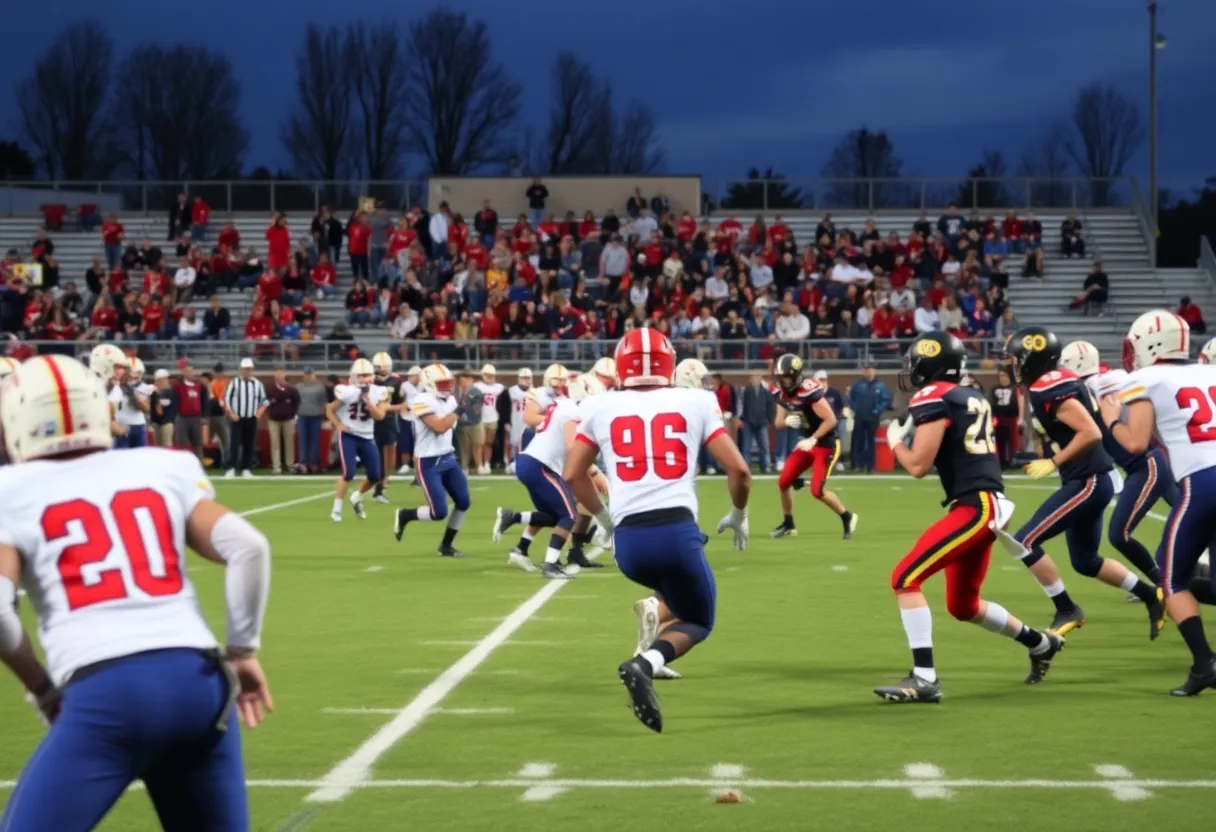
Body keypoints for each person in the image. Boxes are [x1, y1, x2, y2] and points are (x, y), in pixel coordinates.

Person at [0, 354, 271, 831]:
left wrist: (42, 689)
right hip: (199, 682)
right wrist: (242, 650)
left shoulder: (10, 489)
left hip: (107, 691)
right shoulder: (160, 466)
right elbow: (250, 547)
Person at [563, 328, 751, 733]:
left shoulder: (599, 404)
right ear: (669, 363)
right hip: (675, 533)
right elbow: (739, 470)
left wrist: (606, 520)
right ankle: (644, 663)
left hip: (629, 547)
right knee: (699, 619)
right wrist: (738, 512)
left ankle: (652, 621)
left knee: (674, 593)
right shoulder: (697, 400)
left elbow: (573, 473)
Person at [874, 333, 1063, 703]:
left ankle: (925, 678)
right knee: (964, 606)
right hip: (987, 503)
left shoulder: (933, 395)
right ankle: (1041, 643)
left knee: (905, 578)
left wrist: (895, 441)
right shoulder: (970, 394)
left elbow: (917, 466)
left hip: (976, 507)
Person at [1003, 326, 1165, 640]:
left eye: (1014, 359)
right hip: (1088, 479)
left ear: (1031, 359)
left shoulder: (1049, 387)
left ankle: (1067, 608)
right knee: (1085, 561)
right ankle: (1151, 595)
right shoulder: (1045, 385)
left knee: (1024, 541)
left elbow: (1090, 432)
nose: (1011, 365)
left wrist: (1054, 461)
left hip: (1087, 481)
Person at [1102, 311, 1216, 694]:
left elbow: (1135, 442)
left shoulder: (1145, 378)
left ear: (1150, 344)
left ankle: (1205, 665)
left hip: (1203, 483)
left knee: (1171, 579)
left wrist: (1111, 418)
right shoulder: (1209, 371)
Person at [1060, 341, 1176, 593]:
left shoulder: (1099, 384)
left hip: (1149, 464)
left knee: (1120, 534)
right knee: (1188, 517)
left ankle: (1166, 584)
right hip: (1146, 466)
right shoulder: (1096, 384)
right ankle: (1173, 579)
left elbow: (1119, 385)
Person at [495, 375, 606, 579]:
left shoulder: (563, 405)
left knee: (554, 515)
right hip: (540, 465)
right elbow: (573, 448)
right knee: (569, 515)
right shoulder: (572, 410)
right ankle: (550, 564)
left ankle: (515, 520)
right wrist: (594, 471)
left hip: (532, 463)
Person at [769, 354, 858, 540]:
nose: (782, 381)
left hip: (826, 444)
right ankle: (789, 524)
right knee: (783, 482)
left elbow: (831, 420)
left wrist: (813, 439)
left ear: (795, 376)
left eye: (786, 377)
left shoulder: (808, 391)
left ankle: (847, 516)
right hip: (807, 443)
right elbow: (777, 423)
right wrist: (786, 422)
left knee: (817, 491)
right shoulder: (781, 392)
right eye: (780, 377)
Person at [393, 364, 472, 557]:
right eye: (442, 384)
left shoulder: (450, 399)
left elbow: (455, 422)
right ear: (429, 384)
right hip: (428, 462)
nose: (447, 387)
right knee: (438, 512)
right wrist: (460, 409)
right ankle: (406, 514)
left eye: (448, 383)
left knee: (463, 502)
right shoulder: (421, 400)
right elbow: (439, 427)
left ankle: (446, 546)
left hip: (448, 456)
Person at [326, 359, 388, 522]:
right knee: (348, 473)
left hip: (368, 437)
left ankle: (357, 495)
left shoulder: (379, 391)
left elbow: (380, 416)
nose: (363, 379)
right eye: (360, 375)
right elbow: (330, 409)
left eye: (366, 375)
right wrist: (338, 424)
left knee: (375, 476)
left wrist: (368, 402)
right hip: (349, 435)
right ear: (354, 376)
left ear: (372, 376)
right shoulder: (346, 391)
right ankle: (337, 509)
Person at [223, 358, 268, 479]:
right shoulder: (234, 383)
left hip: (251, 418)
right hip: (237, 418)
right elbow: (226, 400)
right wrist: (231, 414)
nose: (247, 371)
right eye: (245, 369)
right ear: (241, 370)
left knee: (249, 444)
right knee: (234, 443)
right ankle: (231, 468)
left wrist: (258, 414)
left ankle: (246, 468)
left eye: (249, 369)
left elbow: (264, 401)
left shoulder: (257, 384)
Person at [370, 353, 404, 502]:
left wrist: (389, 408)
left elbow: (400, 403)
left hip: (389, 420)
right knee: (376, 452)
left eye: (385, 367)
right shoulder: (370, 379)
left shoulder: (396, 380)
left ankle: (385, 480)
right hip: (372, 420)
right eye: (379, 367)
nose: (382, 370)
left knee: (390, 450)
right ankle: (378, 483)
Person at [846, 363, 892, 473]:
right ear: (863, 372)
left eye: (870, 370)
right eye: (866, 370)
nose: (868, 372)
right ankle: (856, 465)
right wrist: (855, 409)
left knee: (871, 442)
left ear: (874, 371)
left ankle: (871, 466)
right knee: (858, 441)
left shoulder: (880, 385)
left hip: (873, 417)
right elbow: (850, 398)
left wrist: (877, 410)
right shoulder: (857, 385)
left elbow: (886, 400)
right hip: (860, 417)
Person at [521, 364, 570, 451]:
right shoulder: (537, 393)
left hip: (556, 438)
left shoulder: (567, 398)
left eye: (562, 380)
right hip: (537, 436)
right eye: (556, 383)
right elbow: (529, 418)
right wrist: (556, 418)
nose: (560, 385)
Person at [265, 366, 300, 475]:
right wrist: (270, 408)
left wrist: (294, 414)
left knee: (289, 442)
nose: (279, 377)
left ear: (284, 376)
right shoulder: (270, 389)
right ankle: (276, 466)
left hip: (288, 419)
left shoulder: (291, 389)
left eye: (281, 375)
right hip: (273, 419)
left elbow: (297, 402)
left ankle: (290, 465)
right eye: (277, 375)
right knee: (275, 443)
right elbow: (265, 401)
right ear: (274, 377)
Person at [111, 357, 153, 449]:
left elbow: (147, 409)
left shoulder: (140, 388)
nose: (127, 376)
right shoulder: (112, 387)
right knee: (120, 456)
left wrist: (134, 397)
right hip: (120, 426)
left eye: (127, 373)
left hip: (138, 425)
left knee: (141, 455)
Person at [738, 372, 775, 473]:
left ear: (760, 379)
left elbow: (770, 407)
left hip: (762, 422)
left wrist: (770, 420)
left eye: (756, 377)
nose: (754, 379)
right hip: (748, 422)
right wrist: (740, 418)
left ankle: (766, 466)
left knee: (764, 446)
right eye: (752, 377)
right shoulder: (745, 391)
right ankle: (746, 466)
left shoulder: (766, 392)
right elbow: (741, 405)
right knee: (746, 447)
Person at [172, 363, 209, 460]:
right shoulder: (178, 386)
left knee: (198, 443)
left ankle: (199, 464)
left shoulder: (200, 386)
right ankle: (181, 464)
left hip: (196, 418)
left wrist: (204, 416)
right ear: (183, 373)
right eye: (187, 371)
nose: (190, 373)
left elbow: (205, 401)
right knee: (181, 443)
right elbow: (174, 402)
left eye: (191, 371)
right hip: (182, 417)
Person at [295, 366, 328, 474]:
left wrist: (325, 418)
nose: (308, 376)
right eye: (306, 374)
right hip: (302, 416)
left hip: (316, 417)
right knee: (303, 441)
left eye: (310, 374)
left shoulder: (320, 387)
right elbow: (295, 401)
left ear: (314, 374)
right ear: (303, 375)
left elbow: (324, 403)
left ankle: (313, 463)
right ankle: (303, 463)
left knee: (315, 441)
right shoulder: (298, 387)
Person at [988, 368, 1022, 468]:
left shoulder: (1015, 388)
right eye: (1001, 376)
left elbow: (1020, 402)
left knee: (1013, 440)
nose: (1003, 378)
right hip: (998, 417)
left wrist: (1021, 417)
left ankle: (1013, 460)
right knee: (999, 439)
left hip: (1012, 417)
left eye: (1005, 376)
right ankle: (1001, 460)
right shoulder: (994, 389)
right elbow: (991, 402)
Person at [475, 364, 505, 475]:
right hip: (480, 419)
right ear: (483, 375)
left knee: (489, 443)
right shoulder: (477, 387)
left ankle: (487, 463)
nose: (490, 377)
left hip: (493, 418)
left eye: (491, 375)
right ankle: (479, 465)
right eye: (487, 375)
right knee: (479, 443)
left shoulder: (499, 387)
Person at [506, 368, 534, 472]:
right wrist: (507, 421)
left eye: (528, 378)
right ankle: (512, 462)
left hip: (529, 421)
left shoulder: (535, 391)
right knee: (514, 442)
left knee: (528, 443)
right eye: (524, 378)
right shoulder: (511, 391)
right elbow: (506, 407)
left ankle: (524, 464)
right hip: (516, 420)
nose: (526, 380)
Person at [397, 366, 423, 477]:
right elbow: (400, 398)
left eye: (418, 375)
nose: (416, 378)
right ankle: (405, 464)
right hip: (406, 416)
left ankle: (418, 463)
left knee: (419, 441)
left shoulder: (424, 385)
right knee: (405, 441)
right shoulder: (404, 385)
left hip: (420, 417)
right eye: (415, 375)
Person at [150, 368, 178, 448]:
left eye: (160, 380)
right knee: (157, 447)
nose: (157, 382)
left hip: (167, 422)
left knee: (167, 446)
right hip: (156, 423)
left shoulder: (170, 392)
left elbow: (160, 410)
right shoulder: (154, 393)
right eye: (157, 380)